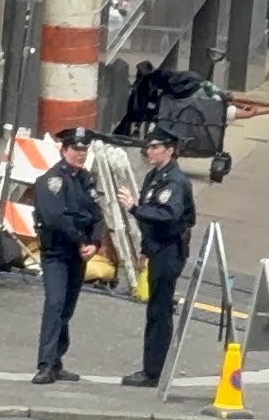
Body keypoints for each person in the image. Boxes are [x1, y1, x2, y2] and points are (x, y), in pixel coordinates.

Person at [116, 126, 197, 388]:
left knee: (160, 310)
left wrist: (134, 208)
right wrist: (145, 248)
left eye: (155, 147)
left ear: (169, 150)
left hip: (169, 250)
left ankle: (154, 371)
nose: (149, 151)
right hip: (157, 248)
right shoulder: (155, 176)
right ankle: (153, 367)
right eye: (149, 147)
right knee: (155, 308)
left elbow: (168, 215)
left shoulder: (174, 181)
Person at [32, 127, 103, 385]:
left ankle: (57, 361)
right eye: (76, 149)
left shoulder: (85, 179)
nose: (80, 154)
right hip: (57, 252)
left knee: (66, 308)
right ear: (64, 150)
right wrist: (82, 240)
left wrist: (95, 242)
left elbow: (97, 215)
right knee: (55, 303)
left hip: (78, 254)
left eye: (84, 149)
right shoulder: (52, 180)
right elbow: (56, 218)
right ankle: (45, 364)